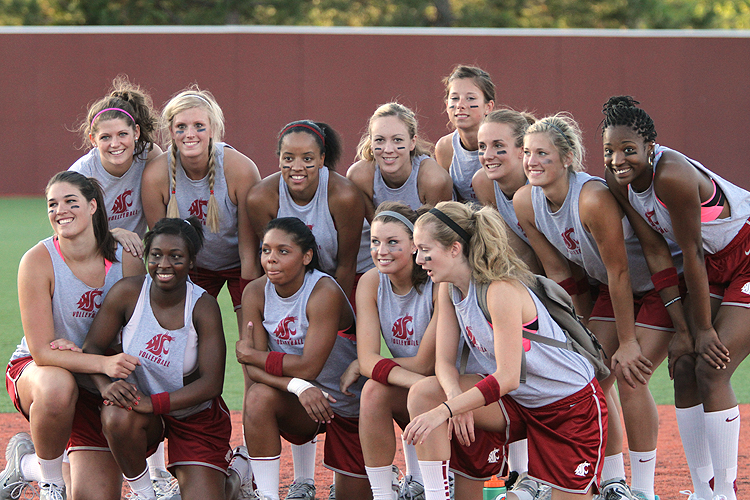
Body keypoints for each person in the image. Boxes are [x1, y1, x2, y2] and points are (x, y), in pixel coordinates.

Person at [513, 113, 685, 500]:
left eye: (543, 153)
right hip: (611, 290)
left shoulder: (591, 198)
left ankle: (641, 490)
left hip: (656, 287)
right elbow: (560, 272)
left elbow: (621, 271)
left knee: (629, 373)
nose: (531, 161)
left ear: (569, 158)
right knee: (587, 377)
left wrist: (627, 342)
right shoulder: (526, 200)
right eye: (526, 152)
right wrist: (573, 333)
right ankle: (608, 480)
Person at [403, 201, 607, 500]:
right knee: (424, 393)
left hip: (568, 407)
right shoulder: (449, 288)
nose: (419, 260)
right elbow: (444, 363)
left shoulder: (500, 290)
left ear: (454, 249)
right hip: (517, 403)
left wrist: (445, 412)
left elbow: (508, 377)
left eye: (424, 249)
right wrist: (454, 399)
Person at [601, 96, 750, 500]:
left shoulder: (672, 175)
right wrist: (683, 330)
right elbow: (655, 252)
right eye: (610, 151)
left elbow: (694, 254)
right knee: (683, 364)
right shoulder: (620, 179)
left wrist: (701, 329)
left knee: (712, 368)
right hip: (714, 264)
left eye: (629, 150)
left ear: (651, 146)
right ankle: (703, 490)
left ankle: (725, 494)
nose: (618, 160)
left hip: (743, 253)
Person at [3, 171, 144, 500]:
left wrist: (90, 360)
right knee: (57, 385)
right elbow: (42, 352)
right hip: (43, 371)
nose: (59, 210)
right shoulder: (38, 260)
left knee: (95, 496)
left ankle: (25, 465)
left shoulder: (127, 259)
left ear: (93, 205)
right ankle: (51, 483)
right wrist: (97, 363)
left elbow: (135, 331)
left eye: (71, 202)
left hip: (95, 378)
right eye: (52, 204)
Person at [79, 216, 230, 500]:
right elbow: (92, 348)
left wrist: (153, 403)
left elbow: (212, 384)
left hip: (194, 415)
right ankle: (144, 493)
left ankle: (236, 477)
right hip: (142, 410)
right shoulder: (128, 292)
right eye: (156, 255)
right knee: (114, 414)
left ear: (192, 261)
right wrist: (105, 386)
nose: (164, 265)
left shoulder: (203, 306)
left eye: (176, 257)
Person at [237, 217, 369, 500]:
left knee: (354, 495)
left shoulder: (324, 291)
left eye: (283, 251)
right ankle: (268, 496)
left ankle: (386, 479)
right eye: (265, 250)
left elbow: (309, 365)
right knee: (258, 397)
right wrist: (299, 387)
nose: (271, 259)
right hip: (301, 401)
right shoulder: (255, 292)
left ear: (307, 256)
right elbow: (254, 370)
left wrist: (257, 357)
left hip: (345, 406)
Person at [141, 86, 262, 330]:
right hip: (193, 265)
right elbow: (162, 247)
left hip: (241, 263)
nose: (190, 134)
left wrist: (250, 304)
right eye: (181, 127)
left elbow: (249, 249)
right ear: (171, 131)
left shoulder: (239, 169)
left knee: (253, 338)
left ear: (213, 129)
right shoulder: (156, 174)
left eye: (199, 126)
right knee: (185, 336)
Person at [350, 202, 438, 500]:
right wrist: (367, 364)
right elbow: (366, 360)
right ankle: (383, 494)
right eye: (375, 242)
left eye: (392, 242)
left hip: (454, 385)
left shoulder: (437, 282)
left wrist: (374, 364)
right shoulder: (370, 282)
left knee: (412, 389)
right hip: (419, 384)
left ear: (414, 245)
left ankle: (432, 480)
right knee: (373, 391)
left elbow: (427, 364)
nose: (381, 251)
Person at [247, 120, 365, 301]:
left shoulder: (345, 196)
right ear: (279, 159)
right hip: (289, 286)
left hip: (339, 283)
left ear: (321, 160)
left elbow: (346, 265)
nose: (297, 167)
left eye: (307, 158)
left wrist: (335, 315)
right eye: (288, 158)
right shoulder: (260, 198)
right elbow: (272, 261)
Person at [347, 102, 453, 276]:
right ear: (371, 143)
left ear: (412, 142)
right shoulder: (359, 176)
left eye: (397, 140)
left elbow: (437, 238)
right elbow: (381, 231)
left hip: (424, 261)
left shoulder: (433, 179)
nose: (388, 149)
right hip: (380, 258)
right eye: (380, 140)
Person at [70, 75, 163, 258]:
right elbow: (68, 233)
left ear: (135, 132)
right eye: (105, 137)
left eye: (122, 134)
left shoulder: (149, 156)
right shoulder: (81, 175)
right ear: (93, 140)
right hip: (92, 256)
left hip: (132, 257)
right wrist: (111, 234)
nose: (115, 144)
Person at [472, 108, 541, 274]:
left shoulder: (540, 186)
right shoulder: (483, 183)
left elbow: (560, 260)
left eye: (498, 145)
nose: (487, 155)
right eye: (482, 146)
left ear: (522, 150)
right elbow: (521, 253)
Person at [434, 65, 495, 202]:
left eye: (470, 98)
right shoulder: (445, 148)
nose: (460, 105)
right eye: (454, 98)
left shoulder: (504, 145)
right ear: (446, 105)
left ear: (488, 106)